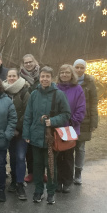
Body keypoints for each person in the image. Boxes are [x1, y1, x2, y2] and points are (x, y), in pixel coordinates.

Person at [23, 66, 71, 205]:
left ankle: (51, 192)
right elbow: (28, 115)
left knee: (51, 166)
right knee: (37, 166)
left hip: (51, 138)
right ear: (40, 78)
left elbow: (66, 114)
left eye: (47, 77)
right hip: (35, 137)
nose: (44, 79)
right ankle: (38, 191)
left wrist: (53, 121)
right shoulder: (34, 94)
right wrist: (27, 133)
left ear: (52, 78)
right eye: (42, 76)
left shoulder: (59, 94)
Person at [56, 64, 86, 193]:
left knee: (68, 156)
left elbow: (81, 108)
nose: (64, 75)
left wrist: (71, 121)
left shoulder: (78, 89)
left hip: (70, 128)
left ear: (72, 74)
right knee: (57, 155)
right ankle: (57, 181)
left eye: (67, 72)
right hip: (56, 128)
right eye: (62, 72)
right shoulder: (55, 88)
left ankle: (67, 182)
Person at [2, 68, 30, 200]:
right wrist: (9, 129)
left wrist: (17, 128)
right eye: (9, 76)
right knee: (12, 157)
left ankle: (20, 184)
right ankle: (13, 180)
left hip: (21, 132)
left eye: (14, 76)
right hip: (7, 132)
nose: (11, 78)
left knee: (20, 157)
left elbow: (27, 112)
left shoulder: (24, 91)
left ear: (18, 77)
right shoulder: (3, 91)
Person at [73, 59, 98, 185]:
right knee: (67, 147)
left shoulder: (90, 83)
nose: (79, 70)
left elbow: (94, 103)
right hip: (70, 119)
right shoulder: (69, 81)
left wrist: (94, 121)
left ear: (85, 69)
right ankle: (66, 172)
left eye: (81, 67)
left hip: (85, 120)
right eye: (76, 67)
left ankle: (78, 173)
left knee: (80, 147)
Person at [19, 54, 41, 183]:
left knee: (40, 146)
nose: (28, 64)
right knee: (29, 148)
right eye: (25, 62)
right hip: (27, 115)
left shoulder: (41, 75)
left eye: (30, 62)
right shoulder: (20, 78)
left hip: (40, 115)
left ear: (34, 62)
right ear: (23, 64)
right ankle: (31, 172)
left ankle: (41, 172)